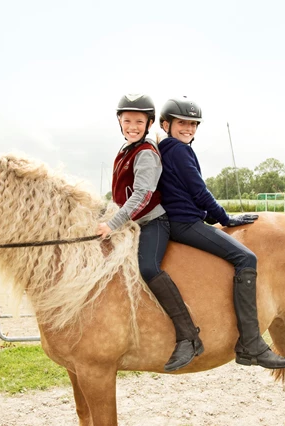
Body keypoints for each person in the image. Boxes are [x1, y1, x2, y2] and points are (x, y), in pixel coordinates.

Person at [157, 96, 285, 369]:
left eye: (193, 124)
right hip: (184, 225)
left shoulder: (168, 149)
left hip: (181, 219)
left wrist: (209, 215)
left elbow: (182, 193)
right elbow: (199, 191)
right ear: (166, 124)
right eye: (182, 123)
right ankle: (251, 344)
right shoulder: (178, 150)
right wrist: (225, 218)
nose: (188, 129)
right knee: (246, 258)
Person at [97, 94, 203, 372]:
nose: (132, 125)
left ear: (150, 123)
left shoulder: (145, 152)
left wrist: (113, 223)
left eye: (139, 121)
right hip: (132, 222)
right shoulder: (126, 149)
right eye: (127, 120)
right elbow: (121, 195)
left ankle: (189, 335)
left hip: (153, 222)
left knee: (149, 268)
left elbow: (143, 195)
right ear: (119, 122)